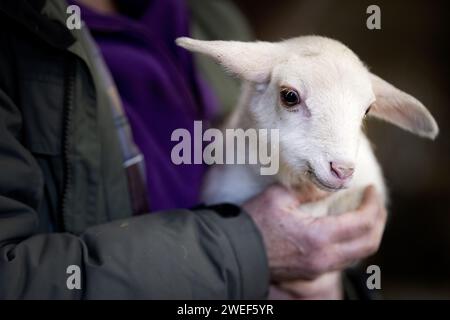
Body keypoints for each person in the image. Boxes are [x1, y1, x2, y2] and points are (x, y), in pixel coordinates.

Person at [0, 0, 387, 299]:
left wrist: (331, 279)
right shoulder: (17, 29)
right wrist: (249, 250)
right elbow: (12, 280)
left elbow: (301, 245)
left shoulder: (209, 14)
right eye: (290, 97)